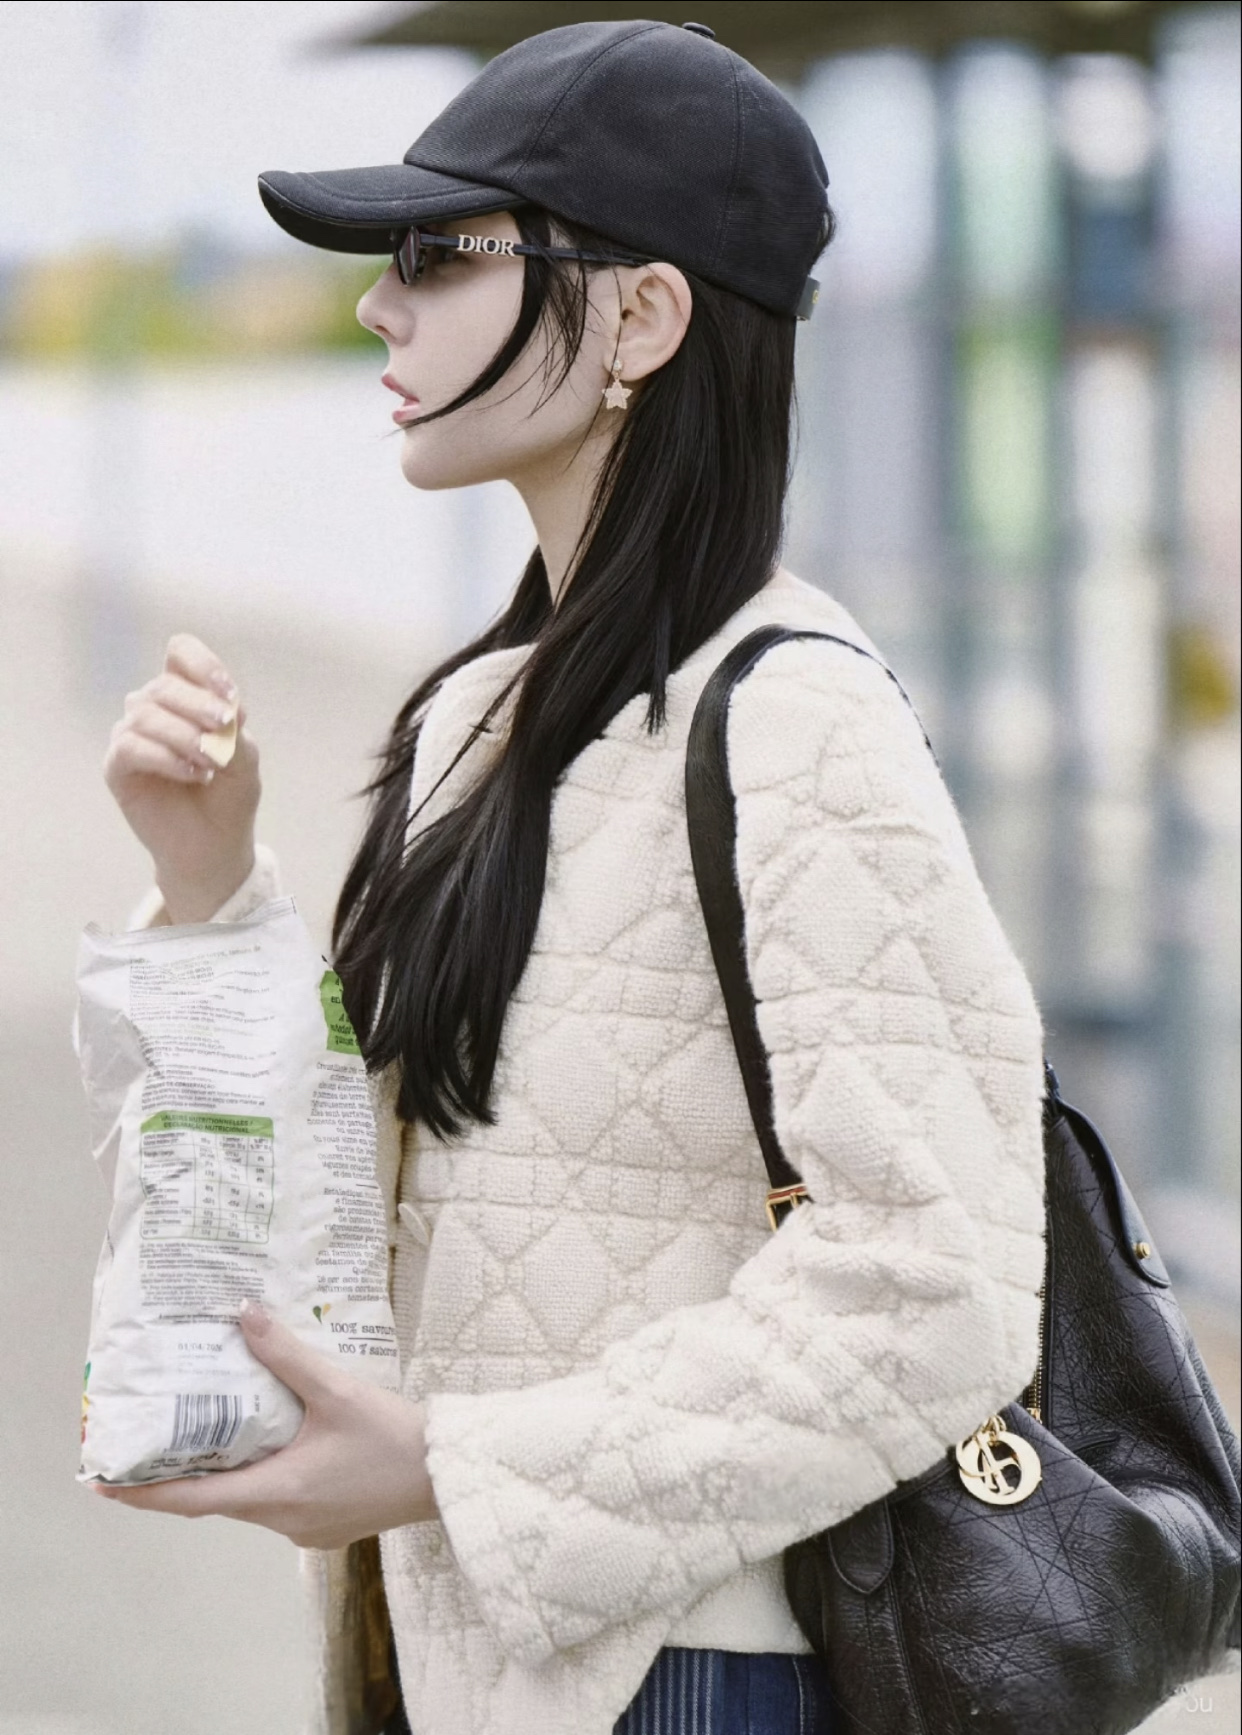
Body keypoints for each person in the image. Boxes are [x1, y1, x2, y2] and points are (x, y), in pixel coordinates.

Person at [95, 20, 1047, 1735]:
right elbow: (358, 1198)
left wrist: (452, 1470)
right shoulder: (482, 711)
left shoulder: (795, 720)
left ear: (640, 317)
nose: (378, 307)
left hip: (689, 1674)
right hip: (464, 1658)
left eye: (439, 256)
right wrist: (209, 884)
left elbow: (935, 1285)